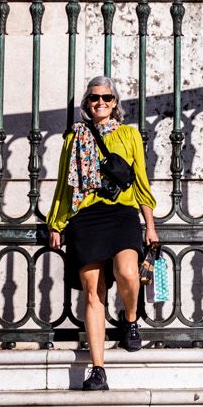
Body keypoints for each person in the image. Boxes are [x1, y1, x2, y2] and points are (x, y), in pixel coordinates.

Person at [47, 76, 158, 390]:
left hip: (122, 213)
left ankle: (130, 319)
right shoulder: (74, 138)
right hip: (85, 217)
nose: (100, 103)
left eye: (106, 98)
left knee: (127, 273)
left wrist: (150, 225)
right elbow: (63, 185)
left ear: (115, 102)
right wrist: (56, 222)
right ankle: (98, 370)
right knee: (93, 292)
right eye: (95, 98)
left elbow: (140, 181)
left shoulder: (129, 135)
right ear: (87, 102)